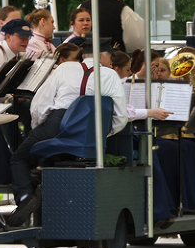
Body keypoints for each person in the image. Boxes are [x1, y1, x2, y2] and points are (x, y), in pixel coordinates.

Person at [8, 41, 128, 227]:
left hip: (57, 123)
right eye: (110, 58)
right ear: (102, 55)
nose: (110, 63)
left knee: (20, 158)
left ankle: (25, 197)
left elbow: (39, 105)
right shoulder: (111, 75)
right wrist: (102, 133)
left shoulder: (64, 69)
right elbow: (120, 117)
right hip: (92, 130)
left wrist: (40, 128)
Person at [109, 50, 177, 225]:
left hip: (129, 130)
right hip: (121, 133)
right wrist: (150, 112)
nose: (129, 73)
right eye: (126, 69)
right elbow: (125, 112)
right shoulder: (119, 82)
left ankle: (167, 207)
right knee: (153, 150)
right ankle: (160, 212)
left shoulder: (123, 80)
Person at [80, 0, 145, 52]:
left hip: (87, 57)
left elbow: (74, 32)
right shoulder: (123, 10)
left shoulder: (83, 6)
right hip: (114, 60)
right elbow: (138, 41)